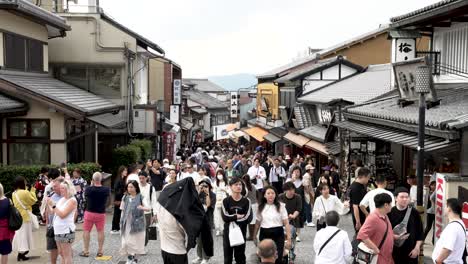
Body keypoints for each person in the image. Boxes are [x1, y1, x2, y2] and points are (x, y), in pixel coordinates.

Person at [157, 178, 210, 264]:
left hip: (164, 248)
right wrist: (189, 246)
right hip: (178, 251)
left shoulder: (161, 205)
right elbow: (190, 234)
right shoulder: (181, 215)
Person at [253, 186, 291, 264]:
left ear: (275, 195)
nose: (271, 195)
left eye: (273, 193)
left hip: (278, 233)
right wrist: (254, 236)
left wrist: (289, 239)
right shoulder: (260, 207)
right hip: (264, 233)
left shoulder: (281, 206)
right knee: (264, 258)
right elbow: (257, 224)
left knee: (278, 257)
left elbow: (286, 223)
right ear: (264, 195)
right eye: (268, 193)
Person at [388, 187, 423, 264]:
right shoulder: (390, 212)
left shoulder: (414, 213)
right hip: (393, 251)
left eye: (407, 197)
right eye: (402, 197)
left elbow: (420, 233)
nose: (405, 199)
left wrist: (417, 248)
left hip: (410, 252)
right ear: (395, 198)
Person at [356, 193, 395, 264]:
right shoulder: (373, 218)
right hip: (378, 258)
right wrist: (375, 248)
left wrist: (395, 237)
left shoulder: (385, 216)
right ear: (386, 205)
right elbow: (362, 234)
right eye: (390, 204)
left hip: (387, 257)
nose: (391, 206)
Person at [221, 177, 253, 264]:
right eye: (236, 184)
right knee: (227, 257)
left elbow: (248, 218)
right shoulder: (225, 201)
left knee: (240, 256)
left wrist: (231, 218)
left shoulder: (246, 201)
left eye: (240, 184)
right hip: (228, 232)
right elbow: (224, 217)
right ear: (230, 187)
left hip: (241, 231)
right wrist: (236, 216)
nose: (239, 186)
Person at [80, 172, 111, 258]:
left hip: (89, 212)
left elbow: (85, 198)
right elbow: (109, 202)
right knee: (100, 231)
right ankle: (100, 250)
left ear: (93, 180)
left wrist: (91, 184)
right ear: (101, 179)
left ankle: (86, 250)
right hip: (100, 213)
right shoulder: (106, 189)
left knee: (86, 231)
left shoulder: (88, 189)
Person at [120, 180, 151, 264]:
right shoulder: (125, 197)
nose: (129, 189)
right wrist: (121, 221)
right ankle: (130, 257)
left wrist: (142, 207)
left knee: (137, 241)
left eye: (131, 187)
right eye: (128, 187)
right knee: (127, 241)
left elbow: (148, 208)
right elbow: (122, 209)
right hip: (127, 223)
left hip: (138, 222)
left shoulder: (140, 197)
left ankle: (135, 258)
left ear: (136, 188)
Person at [49, 180, 77, 264]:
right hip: (58, 230)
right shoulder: (62, 199)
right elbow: (54, 212)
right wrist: (48, 204)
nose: (60, 190)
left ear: (68, 189)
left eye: (63, 188)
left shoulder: (72, 200)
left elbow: (62, 214)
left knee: (66, 254)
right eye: (60, 188)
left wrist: (53, 205)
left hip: (66, 230)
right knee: (61, 253)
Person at [432, 198, 467, 264]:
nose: (444, 208)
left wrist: (438, 261)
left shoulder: (453, 227)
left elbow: (447, 249)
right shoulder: (460, 223)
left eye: (445, 206)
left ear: (449, 208)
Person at [12, 176, 37, 261]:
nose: (26, 183)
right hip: (25, 217)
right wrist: (33, 190)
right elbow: (33, 200)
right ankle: (22, 254)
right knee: (25, 236)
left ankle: (21, 253)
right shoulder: (24, 192)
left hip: (18, 216)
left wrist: (27, 189)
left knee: (21, 235)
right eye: (25, 181)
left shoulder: (14, 193)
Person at [193, 179, 216, 264]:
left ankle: (206, 258)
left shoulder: (212, 195)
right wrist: (198, 192)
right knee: (199, 240)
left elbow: (208, 205)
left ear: (209, 186)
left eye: (206, 186)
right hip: (199, 220)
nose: (204, 187)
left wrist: (207, 194)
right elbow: (193, 203)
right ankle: (199, 257)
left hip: (208, 220)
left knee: (207, 240)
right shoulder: (198, 194)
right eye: (202, 185)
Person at [44, 169, 63, 264]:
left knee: (64, 252)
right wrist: (47, 224)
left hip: (62, 227)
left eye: (55, 186)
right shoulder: (51, 195)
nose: (53, 188)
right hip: (52, 227)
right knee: (52, 249)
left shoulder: (66, 197)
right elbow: (48, 211)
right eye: (53, 186)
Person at [138, 171, 157, 250]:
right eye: (140, 178)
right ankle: (139, 246)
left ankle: (143, 246)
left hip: (147, 212)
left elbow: (154, 201)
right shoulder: (136, 187)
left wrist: (155, 214)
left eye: (143, 178)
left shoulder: (151, 188)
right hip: (137, 212)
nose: (141, 180)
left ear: (146, 178)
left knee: (145, 230)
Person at [349, 167, 370, 232]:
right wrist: (358, 222)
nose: (368, 180)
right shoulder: (355, 188)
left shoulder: (360, 185)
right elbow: (355, 206)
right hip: (360, 217)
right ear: (363, 176)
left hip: (363, 215)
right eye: (368, 178)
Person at [287, 166, 305, 241]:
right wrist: (292, 180)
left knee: (299, 217)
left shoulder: (302, 180)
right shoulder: (289, 180)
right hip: (290, 201)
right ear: (292, 172)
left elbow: (306, 191)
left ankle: (297, 234)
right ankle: (289, 233)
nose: (297, 173)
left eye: (298, 172)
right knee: (289, 218)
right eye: (295, 171)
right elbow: (285, 188)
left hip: (300, 201)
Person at [0, 183, 15, 264]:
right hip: (5, 231)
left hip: (3, 230)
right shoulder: (8, 201)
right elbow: (11, 215)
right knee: (4, 253)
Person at [111, 166, 128, 234]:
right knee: (117, 213)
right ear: (121, 171)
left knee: (119, 213)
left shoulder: (122, 179)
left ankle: (117, 227)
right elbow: (116, 190)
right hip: (118, 199)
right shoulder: (118, 180)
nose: (126, 172)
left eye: (126, 170)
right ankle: (114, 228)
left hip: (121, 199)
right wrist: (123, 192)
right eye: (125, 171)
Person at [214, 170, 230, 236]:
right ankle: (218, 229)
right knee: (217, 215)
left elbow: (229, 191)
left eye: (220, 174)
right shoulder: (215, 183)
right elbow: (214, 191)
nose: (219, 175)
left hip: (225, 199)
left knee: (224, 214)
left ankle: (224, 228)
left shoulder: (227, 182)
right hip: (217, 199)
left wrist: (224, 190)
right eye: (218, 174)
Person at [242, 174, 257, 241]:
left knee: (250, 221)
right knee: (254, 221)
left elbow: (243, 197)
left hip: (250, 205)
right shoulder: (253, 186)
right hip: (255, 204)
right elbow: (257, 194)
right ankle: (254, 235)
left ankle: (251, 236)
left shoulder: (245, 188)